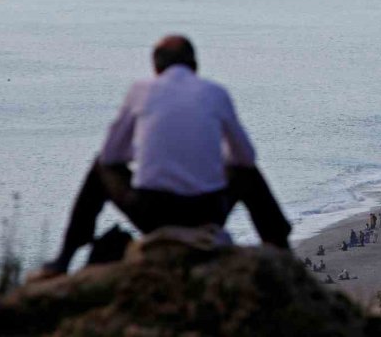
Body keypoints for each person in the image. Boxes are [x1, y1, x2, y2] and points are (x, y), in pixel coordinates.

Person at [33, 35, 291, 279]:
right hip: (207, 212)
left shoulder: (141, 90)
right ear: (194, 66)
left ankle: (65, 258)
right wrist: (212, 157)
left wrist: (140, 152)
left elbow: (111, 155)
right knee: (248, 174)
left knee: (100, 168)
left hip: (152, 213)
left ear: (155, 68)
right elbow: (246, 157)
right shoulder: (215, 93)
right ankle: (281, 249)